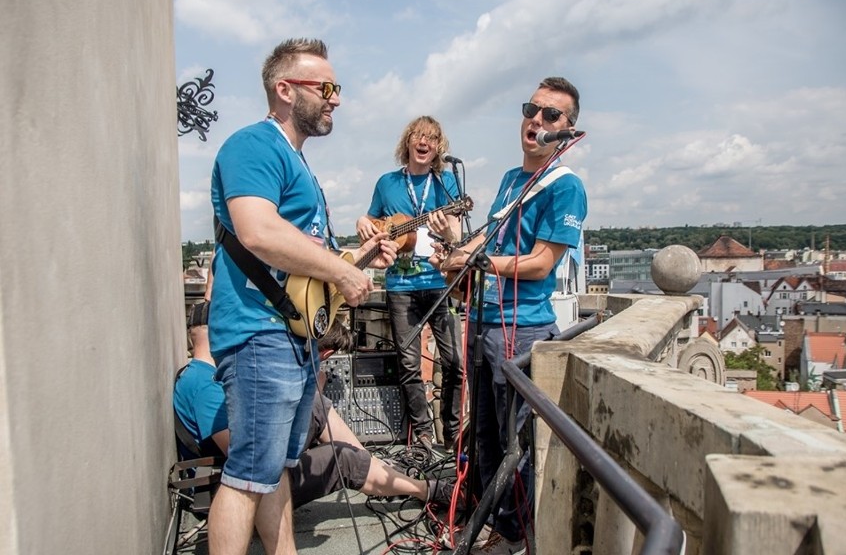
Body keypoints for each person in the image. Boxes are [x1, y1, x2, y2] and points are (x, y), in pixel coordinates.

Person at [207, 38, 397, 555]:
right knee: (248, 477)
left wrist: (356, 260)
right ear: (284, 89)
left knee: (275, 472)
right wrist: (341, 268)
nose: (336, 98)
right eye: (327, 87)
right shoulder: (254, 145)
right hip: (258, 334)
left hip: (290, 339)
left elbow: (301, 266)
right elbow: (257, 231)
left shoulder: (294, 162)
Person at [433, 77, 586, 555]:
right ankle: (495, 523)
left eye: (550, 115)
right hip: (483, 322)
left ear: (568, 129)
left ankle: (520, 538)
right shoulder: (510, 180)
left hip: (522, 329)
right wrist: (457, 250)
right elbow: (490, 240)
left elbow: (541, 262)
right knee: (483, 436)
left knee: (514, 445)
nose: (536, 120)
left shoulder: (565, 187)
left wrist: (473, 261)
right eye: (531, 109)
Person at [174, 302, 453, 512]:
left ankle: (377, 469)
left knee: (317, 406)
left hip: (250, 469)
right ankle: (426, 490)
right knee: (341, 459)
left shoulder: (199, 375)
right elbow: (245, 457)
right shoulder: (206, 386)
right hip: (251, 489)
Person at [355, 116, 464, 453]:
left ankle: (453, 431)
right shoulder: (387, 183)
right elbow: (372, 221)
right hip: (400, 284)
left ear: (438, 148)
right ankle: (423, 433)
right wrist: (363, 222)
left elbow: (458, 234)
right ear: (407, 142)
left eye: (431, 138)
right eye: (418, 136)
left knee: (454, 361)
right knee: (409, 364)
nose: (424, 142)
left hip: (437, 281)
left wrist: (445, 228)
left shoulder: (446, 184)